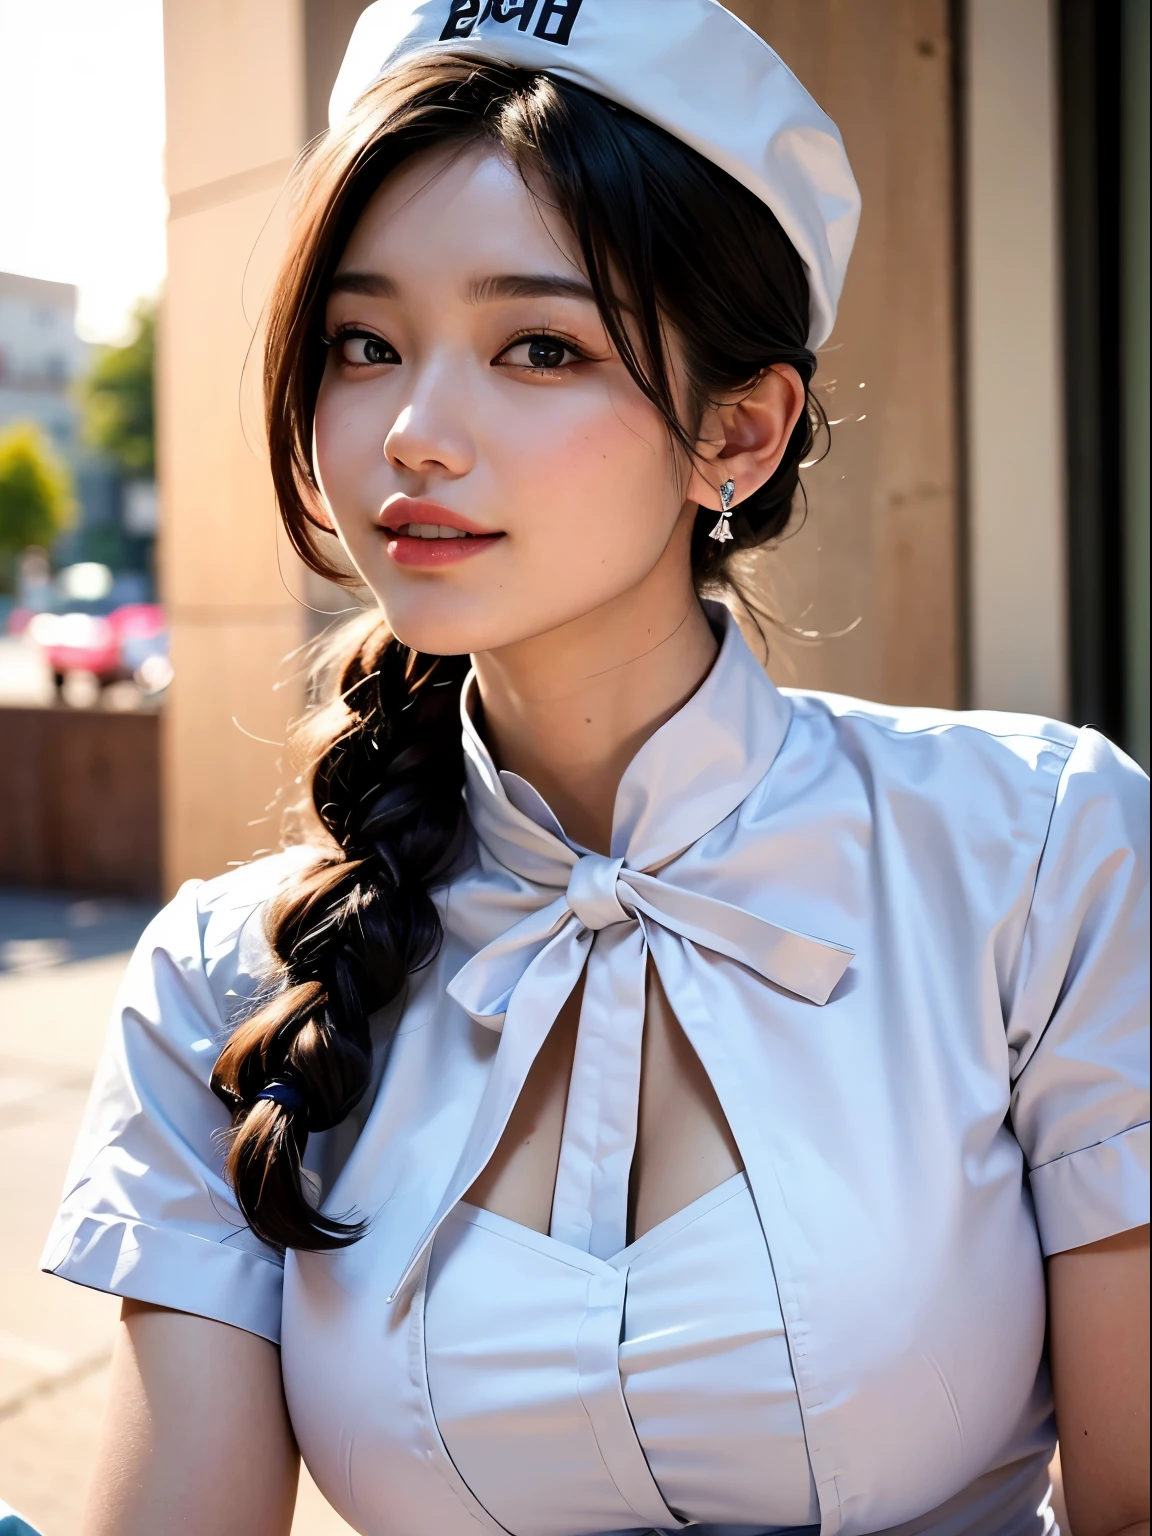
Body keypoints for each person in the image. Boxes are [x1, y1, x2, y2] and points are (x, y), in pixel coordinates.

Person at [43, 4, 1148, 1533]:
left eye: (539, 347)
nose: (414, 434)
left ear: (740, 434)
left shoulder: (1036, 851)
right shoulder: (227, 986)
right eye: (366, 344)